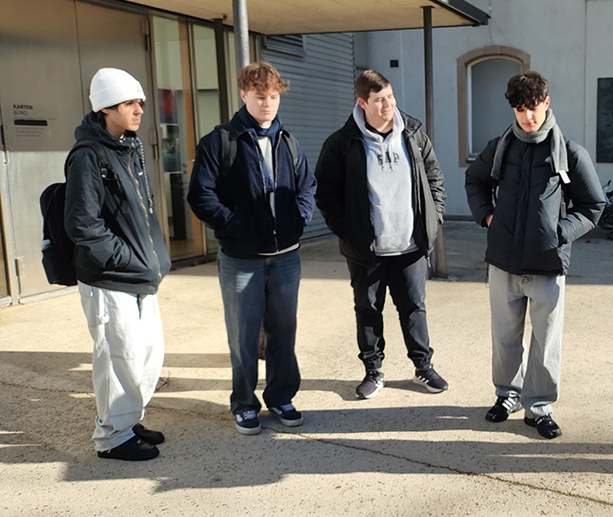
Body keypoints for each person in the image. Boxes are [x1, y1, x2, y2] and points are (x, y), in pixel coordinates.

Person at [465, 71, 604, 439]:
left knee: (545, 341)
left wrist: (560, 232)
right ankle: (507, 395)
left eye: (534, 107)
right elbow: (475, 179)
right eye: (520, 109)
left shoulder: (570, 153)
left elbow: (593, 205)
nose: (528, 116)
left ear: (547, 103)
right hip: (503, 261)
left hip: (547, 264)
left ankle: (539, 406)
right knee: (505, 336)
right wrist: (488, 216)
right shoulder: (499, 148)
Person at [188, 61, 316, 435]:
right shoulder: (220, 142)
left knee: (283, 333)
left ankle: (281, 397)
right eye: (260, 96)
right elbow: (200, 195)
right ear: (244, 94)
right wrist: (236, 226)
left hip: (286, 258)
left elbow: (307, 186)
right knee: (243, 337)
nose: (268, 103)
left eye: (274, 96)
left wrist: (299, 218)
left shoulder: (288, 141)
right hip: (241, 260)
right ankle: (244, 404)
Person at [314, 70, 448, 399]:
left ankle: (423, 367)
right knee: (368, 310)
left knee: (414, 308)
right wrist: (347, 231)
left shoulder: (413, 135)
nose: (388, 105)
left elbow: (434, 178)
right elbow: (325, 192)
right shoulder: (342, 143)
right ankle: (373, 371)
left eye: (390, 97)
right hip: (367, 250)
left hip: (410, 246)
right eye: (379, 100)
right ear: (362, 103)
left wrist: (433, 219)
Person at [65, 68, 171, 461]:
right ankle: (112, 437)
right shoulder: (88, 155)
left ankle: (128, 419)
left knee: (147, 355)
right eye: (130, 103)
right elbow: (83, 224)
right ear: (106, 108)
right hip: (110, 278)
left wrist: (150, 260)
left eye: (140, 101)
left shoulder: (128, 147)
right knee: (117, 358)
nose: (140, 109)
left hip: (139, 275)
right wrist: (126, 259)